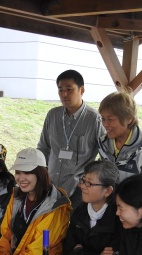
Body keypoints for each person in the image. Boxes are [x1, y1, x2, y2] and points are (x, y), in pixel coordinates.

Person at [0, 148, 71, 255]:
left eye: (27, 172)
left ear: (40, 174)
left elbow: (37, 251)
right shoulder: (17, 196)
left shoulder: (55, 204)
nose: (21, 178)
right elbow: (5, 234)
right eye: (18, 172)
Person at [37, 69, 104, 210]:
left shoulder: (95, 119)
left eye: (69, 89)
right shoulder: (53, 115)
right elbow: (43, 148)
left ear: (82, 90)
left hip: (78, 189)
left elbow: (106, 155)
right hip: (50, 185)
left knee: (71, 228)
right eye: (60, 90)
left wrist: (90, 181)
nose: (64, 94)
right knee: (49, 227)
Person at [97, 90, 142, 201]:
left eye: (110, 119)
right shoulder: (103, 143)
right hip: (111, 211)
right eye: (103, 119)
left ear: (129, 119)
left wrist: (138, 214)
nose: (105, 124)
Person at [63, 160, 121, 255]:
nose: (83, 186)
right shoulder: (79, 212)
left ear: (108, 191)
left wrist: (80, 252)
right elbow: (68, 251)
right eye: (83, 180)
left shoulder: (118, 217)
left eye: (89, 183)